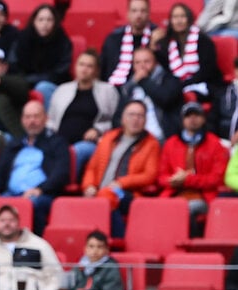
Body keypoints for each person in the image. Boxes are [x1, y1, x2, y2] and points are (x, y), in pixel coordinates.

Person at [0, 100, 70, 236]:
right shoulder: (15, 144)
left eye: (36, 116)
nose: (31, 121)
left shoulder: (57, 142)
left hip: (41, 194)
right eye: (27, 117)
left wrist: (40, 189)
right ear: (22, 120)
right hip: (10, 194)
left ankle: (33, 247)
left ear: (45, 118)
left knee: (33, 203)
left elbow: (61, 173)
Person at [82, 100, 161, 237]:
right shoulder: (109, 138)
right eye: (131, 115)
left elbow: (150, 175)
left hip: (127, 193)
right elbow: (91, 168)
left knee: (107, 197)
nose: (135, 119)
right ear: (123, 119)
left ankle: (119, 240)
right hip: (100, 191)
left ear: (145, 120)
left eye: (140, 116)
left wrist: (121, 183)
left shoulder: (151, 143)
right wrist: (88, 186)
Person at [46, 50, 121, 180]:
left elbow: (116, 121)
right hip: (60, 140)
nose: (84, 69)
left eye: (89, 66)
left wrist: (98, 130)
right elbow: (51, 120)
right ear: (75, 67)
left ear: (97, 70)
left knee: (77, 151)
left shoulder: (108, 91)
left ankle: (63, 183)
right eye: (81, 64)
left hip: (91, 143)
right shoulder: (62, 90)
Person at [157, 102, 229, 237]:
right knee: (152, 209)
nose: (193, 119)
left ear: (203, 119)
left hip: (203, 196)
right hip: (174, 193)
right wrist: (172, 180)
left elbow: (217, 178)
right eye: (188, 116)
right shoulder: (170, 143)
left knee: (186, 209)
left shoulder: (214, 144)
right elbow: (161, 177)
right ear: (182, 120)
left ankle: (189, 249)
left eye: (197, 115)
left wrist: (187, 180)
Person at [0, 204, 63, 290]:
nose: (7, 224)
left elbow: (56, 275)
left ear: (19, 222)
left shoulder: (39, 244)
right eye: (2, 220)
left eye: (11, 220)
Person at [153, 2, 223, 107]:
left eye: (182, 16)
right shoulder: (169, 43)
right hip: (181, 86)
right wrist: (154, 46)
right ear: (170, 21)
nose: (179, 21)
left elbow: (207, 71)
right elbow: (168, 68)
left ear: (189, 19)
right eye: (175, 17)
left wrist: (183, 84)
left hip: (205, 85)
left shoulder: (203, 40)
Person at [9, 3, 73, 108]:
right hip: (23, 82)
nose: (45, 24)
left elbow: (60, 72)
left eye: (49, 20)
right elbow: (13, 65)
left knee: (43, 87)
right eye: (41, 19)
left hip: (52, 83)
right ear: (34, 21)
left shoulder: (63, 41)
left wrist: (30, 80)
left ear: (55, 22)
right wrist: (23, 81)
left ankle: (48, 123)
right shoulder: (22, 39)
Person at [115, 46, 183, 142]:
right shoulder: (128, 87)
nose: (142, 66)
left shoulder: (170, 80)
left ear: (155, 63)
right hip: (133, 139)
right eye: (137, 62)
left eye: (147, 62)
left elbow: (165, 99)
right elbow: (118, 116)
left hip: (161, 138)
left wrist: (143, 81)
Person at [102, 0, 156, 87]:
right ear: (128, 14)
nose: (138, 15)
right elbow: (104, 70)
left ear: (148, 13)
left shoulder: (156, 37)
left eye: (143, 11)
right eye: (134, 11)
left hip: (149, 87)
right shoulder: (113, 39)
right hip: (116, 88)